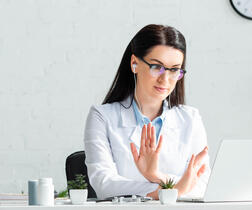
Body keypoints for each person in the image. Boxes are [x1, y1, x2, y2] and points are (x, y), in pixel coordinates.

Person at [83, 24, 209, 200]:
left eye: (174, 70)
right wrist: (175, 189)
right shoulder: (102, 116)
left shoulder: (191, 118)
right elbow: (105, 184)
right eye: (157, 67)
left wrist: (156, 175)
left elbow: (204, 186)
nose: (165, 79)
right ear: (134, 63)